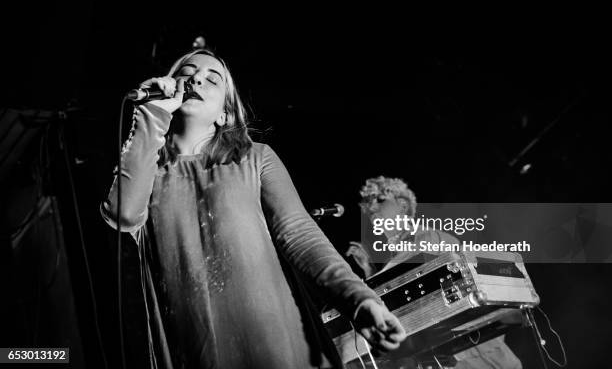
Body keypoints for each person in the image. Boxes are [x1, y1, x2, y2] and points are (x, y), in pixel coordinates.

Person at [100, 49, 406, 369]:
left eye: (212, 79)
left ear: (224, 114)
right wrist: (151, 116)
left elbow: (299, 235)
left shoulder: (254, 157)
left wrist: (358, 300)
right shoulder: (146, 169)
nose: (196, 78)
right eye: (186, 72)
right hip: (191, 351)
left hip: (277, 346)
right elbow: (122, 213)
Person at [346, 176, 522, 369]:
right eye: (368, 205)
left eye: (379, 200)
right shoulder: (401, 251)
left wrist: (369, 276)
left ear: (403, 206)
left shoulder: (427, 237)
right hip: (451, 355)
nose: (372, 208)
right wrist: (369, 269)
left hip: (480, 357)